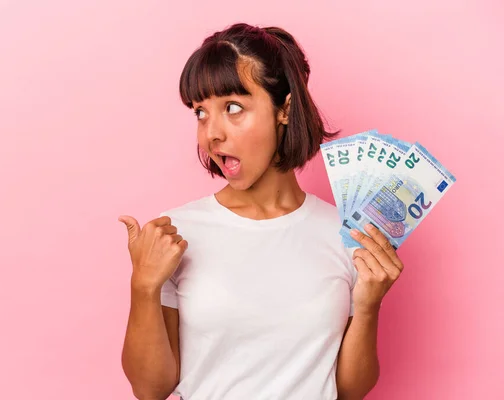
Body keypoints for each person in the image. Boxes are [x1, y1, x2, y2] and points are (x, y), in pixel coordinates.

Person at [119, 23, 404, 400]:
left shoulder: (345, 233)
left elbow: (350, 390)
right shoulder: (177, 232)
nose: (211, 134)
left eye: (232, 108)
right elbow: (150, 389)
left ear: (284, 110)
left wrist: (368, 307)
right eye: (201, 113)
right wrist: (143, 286)